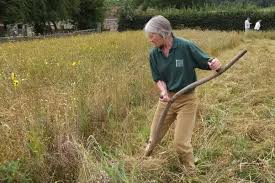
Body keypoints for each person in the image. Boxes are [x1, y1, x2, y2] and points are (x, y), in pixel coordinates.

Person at [143, 15, 222, 173]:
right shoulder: (154, 54)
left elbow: (206, 61)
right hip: (167, 100)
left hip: (186, 100)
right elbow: (158, 78)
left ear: (163, 33)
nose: (150, 40)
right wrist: (164, 92)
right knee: (154, 138)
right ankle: (143, 161)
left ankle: (191, 172)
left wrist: (214, 63)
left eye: (152, 36)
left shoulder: (186, 46)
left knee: (181, 143)